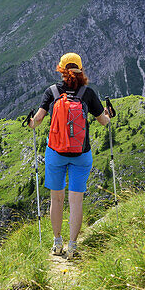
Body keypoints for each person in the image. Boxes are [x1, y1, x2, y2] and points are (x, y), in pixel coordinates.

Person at [27, 52, 110, 259]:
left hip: (55, 153)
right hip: (81, 154)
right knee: (76, 201)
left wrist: (30, 122)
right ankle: (73, 246)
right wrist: (109, 114)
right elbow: (103, 121)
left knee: (56, 199)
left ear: (61, 70)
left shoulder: (52, 92)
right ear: (80, 70)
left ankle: (57, 243)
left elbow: (36, 120)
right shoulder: (87, 93)